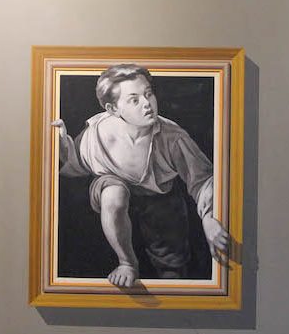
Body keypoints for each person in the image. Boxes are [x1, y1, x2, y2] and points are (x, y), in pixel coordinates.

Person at [52, 64, 230, 288]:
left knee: (173, 261)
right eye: (134, 100)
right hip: (114, 187)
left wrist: (209, 217)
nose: (147, 103)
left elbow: (203, 179)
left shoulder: (173, 137)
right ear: (113, 109)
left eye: (148, 94)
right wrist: (62, 147)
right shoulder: (97, 133)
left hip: (160, 197)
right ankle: (127, 263)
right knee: (113, 195)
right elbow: (76, 164)